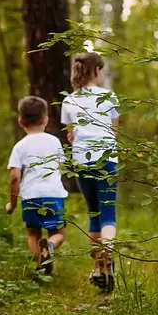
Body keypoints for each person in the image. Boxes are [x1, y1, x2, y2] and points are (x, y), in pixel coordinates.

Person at [61, 52, 120, 294]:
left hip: (83, 162)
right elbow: (115, 132)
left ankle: (98, 269)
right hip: (106, 160)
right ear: (96, 71)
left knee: (93, 214)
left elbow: (71, 134)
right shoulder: (109, 96)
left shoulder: (69, 101)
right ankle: (108, 258)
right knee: (108, 215)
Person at [5, 96, 68, 274]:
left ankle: (41, 265)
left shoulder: (19, 146)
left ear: (20, 121)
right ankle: (50, 246)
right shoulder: (54, 141)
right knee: (59, 233)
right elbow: (62, 166)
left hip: (30, 196)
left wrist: (13, 203)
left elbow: (14, 177)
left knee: (33, 234)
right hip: (53, 195)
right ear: (46, 120)